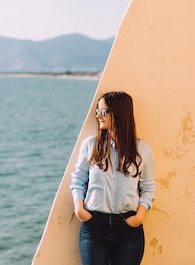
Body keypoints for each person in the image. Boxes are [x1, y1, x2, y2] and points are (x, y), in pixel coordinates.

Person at [70, 91, 156, 265]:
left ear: (118, 113)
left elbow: (148, 186)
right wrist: (79, 209)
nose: (98, 116)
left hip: (128, 230)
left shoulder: (143, 150)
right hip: (94, 228)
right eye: (97, 111)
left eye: (103, 112)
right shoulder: (90, 145)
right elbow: (78, 180)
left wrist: (139, 216)